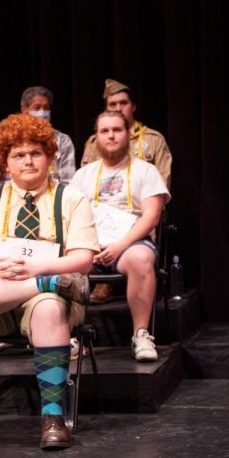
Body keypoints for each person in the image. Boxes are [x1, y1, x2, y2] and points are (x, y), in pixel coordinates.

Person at [0, 114, 98, 450]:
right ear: (5, 162)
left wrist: (36, 267)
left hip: (52, 306)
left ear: (50, 157)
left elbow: (83, 260)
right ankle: (48, 283)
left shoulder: (71, 198)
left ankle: (52, 418)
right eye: (18, 155)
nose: (28, 160)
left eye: (36, 153)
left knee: (49, 306)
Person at [71, 111, 170, 362]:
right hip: (90, 245)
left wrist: (119, 246)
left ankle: (141, 334)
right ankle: (71, 335)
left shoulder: (146, 171)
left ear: (128, 135)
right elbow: (69, 217)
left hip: (130, 243)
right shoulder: (83, 175)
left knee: (140, 259)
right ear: (96, 138)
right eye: (105, 131)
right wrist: (88, 248)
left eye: (117, 129)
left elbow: (151, 217)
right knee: (62, 260)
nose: (111, 135)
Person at [80, 79, 172, 186]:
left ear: (133, 106)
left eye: (123, 103)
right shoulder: (95, 142)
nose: (118, 108)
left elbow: (162, 184)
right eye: (113, 104)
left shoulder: (154, 139)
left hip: (143, 201)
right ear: (106, 110)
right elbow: (85, 182)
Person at [21, 86, 77, 184]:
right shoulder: (14, 139)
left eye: (46, 108)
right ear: (25, 111)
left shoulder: (63, 140)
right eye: (37, 108)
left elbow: (68, 181)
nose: (42, 112)